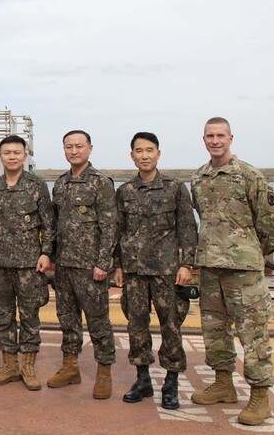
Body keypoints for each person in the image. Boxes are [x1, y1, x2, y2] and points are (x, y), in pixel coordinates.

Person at [189, 117, 274, 426]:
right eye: (209, 135)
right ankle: (223, 383)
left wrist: (257, 253)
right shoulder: (199, 178)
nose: (215, 140)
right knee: (214, 330)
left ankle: (259, 397)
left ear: (231, 138)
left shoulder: (248, 175)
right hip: (211, 266)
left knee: (253, 333)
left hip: (244, 269)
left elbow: (269, 220)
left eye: (220, 135)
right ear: (203, 139)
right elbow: (205, 216)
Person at [114, 132, 198, 409]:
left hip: (167, 271)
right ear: (132, 156)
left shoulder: (174, 188)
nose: (145, 155)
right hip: (135, 272)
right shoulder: (125, 191)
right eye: (139, 150)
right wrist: (117, 266)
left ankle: (171, 382)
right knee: (136, 327)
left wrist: (187, 264)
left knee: (171, 327)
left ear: (158, 154)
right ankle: (143, 380)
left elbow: (187, 227)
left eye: (150, 150)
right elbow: (119, 231)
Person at [47, 130, 119, 400]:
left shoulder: (100, 182)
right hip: (64, 266)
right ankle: (70, 367)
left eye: (79, 146)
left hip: (91, 268)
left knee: (98, 321)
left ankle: (103, 372)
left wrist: (103, 263)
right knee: (67, 319)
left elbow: (110, 226)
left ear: (90, 148)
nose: (74, 151)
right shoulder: (61, 183)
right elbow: (55, 226)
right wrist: (50, 256)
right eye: (69, 147)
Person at [0, 135, 54, 391]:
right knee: (2, 316)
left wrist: (46, 253)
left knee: (30, 316)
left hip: (28, 265)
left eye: (16, 152)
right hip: (0, 264)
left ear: (25, 156)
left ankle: (28, 365)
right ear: (0, 156)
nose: (12, 156)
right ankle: (10, 364)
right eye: (7, 152)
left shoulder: (37, 186)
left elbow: (49, 224)